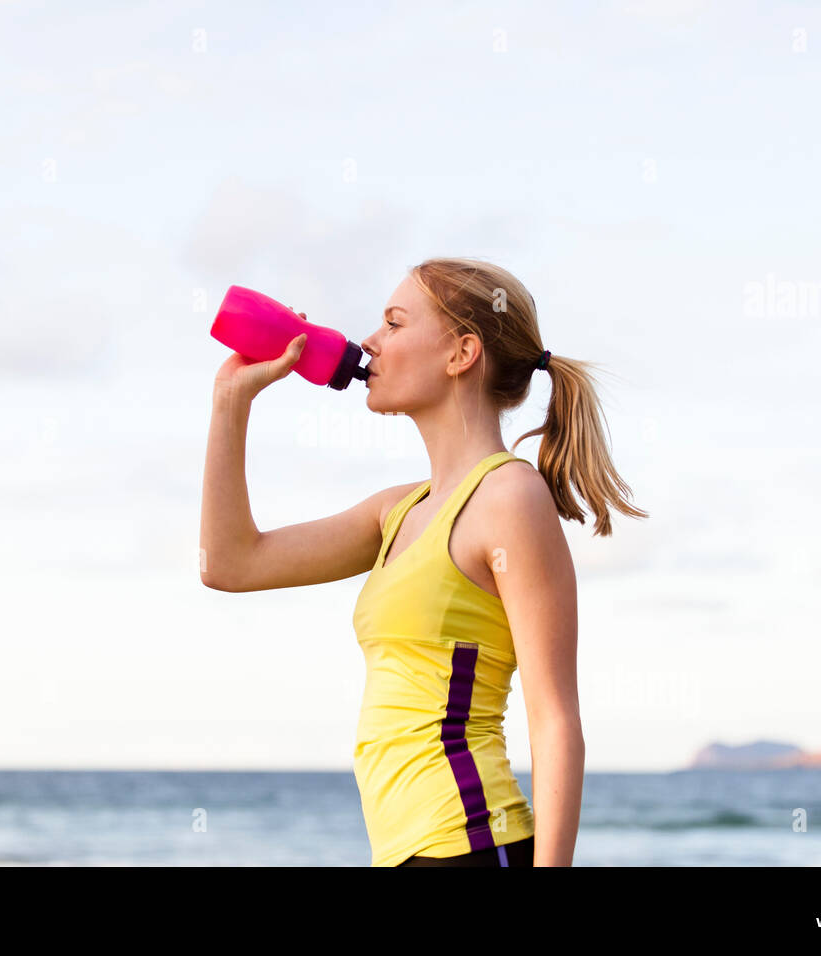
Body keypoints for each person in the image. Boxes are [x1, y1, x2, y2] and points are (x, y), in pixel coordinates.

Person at [201, 257, 647, 866]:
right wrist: (231, 400)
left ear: (461, 352)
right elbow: (229, 564)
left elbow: (554, 719)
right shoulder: (395, 512)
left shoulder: (508, 498)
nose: (369, 341)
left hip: (470, 844)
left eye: (393, 322)